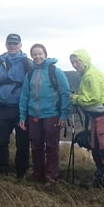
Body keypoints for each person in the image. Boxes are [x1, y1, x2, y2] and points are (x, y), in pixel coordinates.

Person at [69, 49, 104, 189]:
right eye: (73, 62)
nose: (75, 64)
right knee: (96, 147)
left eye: (77, 61)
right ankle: (101, 178)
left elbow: (93, 98)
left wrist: (75, 98)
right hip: (100, 115)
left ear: (85, 60)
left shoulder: (91, 75)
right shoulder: (87, 74)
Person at [19, 44, 72, 185]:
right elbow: (24, 96)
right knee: (36, 146)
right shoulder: (29, 74)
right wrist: (22, 116)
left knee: (51, 146)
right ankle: (38, 174)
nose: (37, 57)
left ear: (45, 54)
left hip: (52, 114)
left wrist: (63, 115)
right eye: (34, 54)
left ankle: (51, 176)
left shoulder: (55, 71)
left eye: (40, 54)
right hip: (33, 115)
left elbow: (65, 93)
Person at [0, 33, 33, 178]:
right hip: (4, 106)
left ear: (20, 45)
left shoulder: (27, 62)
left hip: (21, 108)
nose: (12, 46)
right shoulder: (0, 61)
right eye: (10, 43)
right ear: (6, 45)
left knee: (22, 141)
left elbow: (33, 82)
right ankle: (3, 168)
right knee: (0, 138)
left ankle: (21, 170)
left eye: (15, 43)